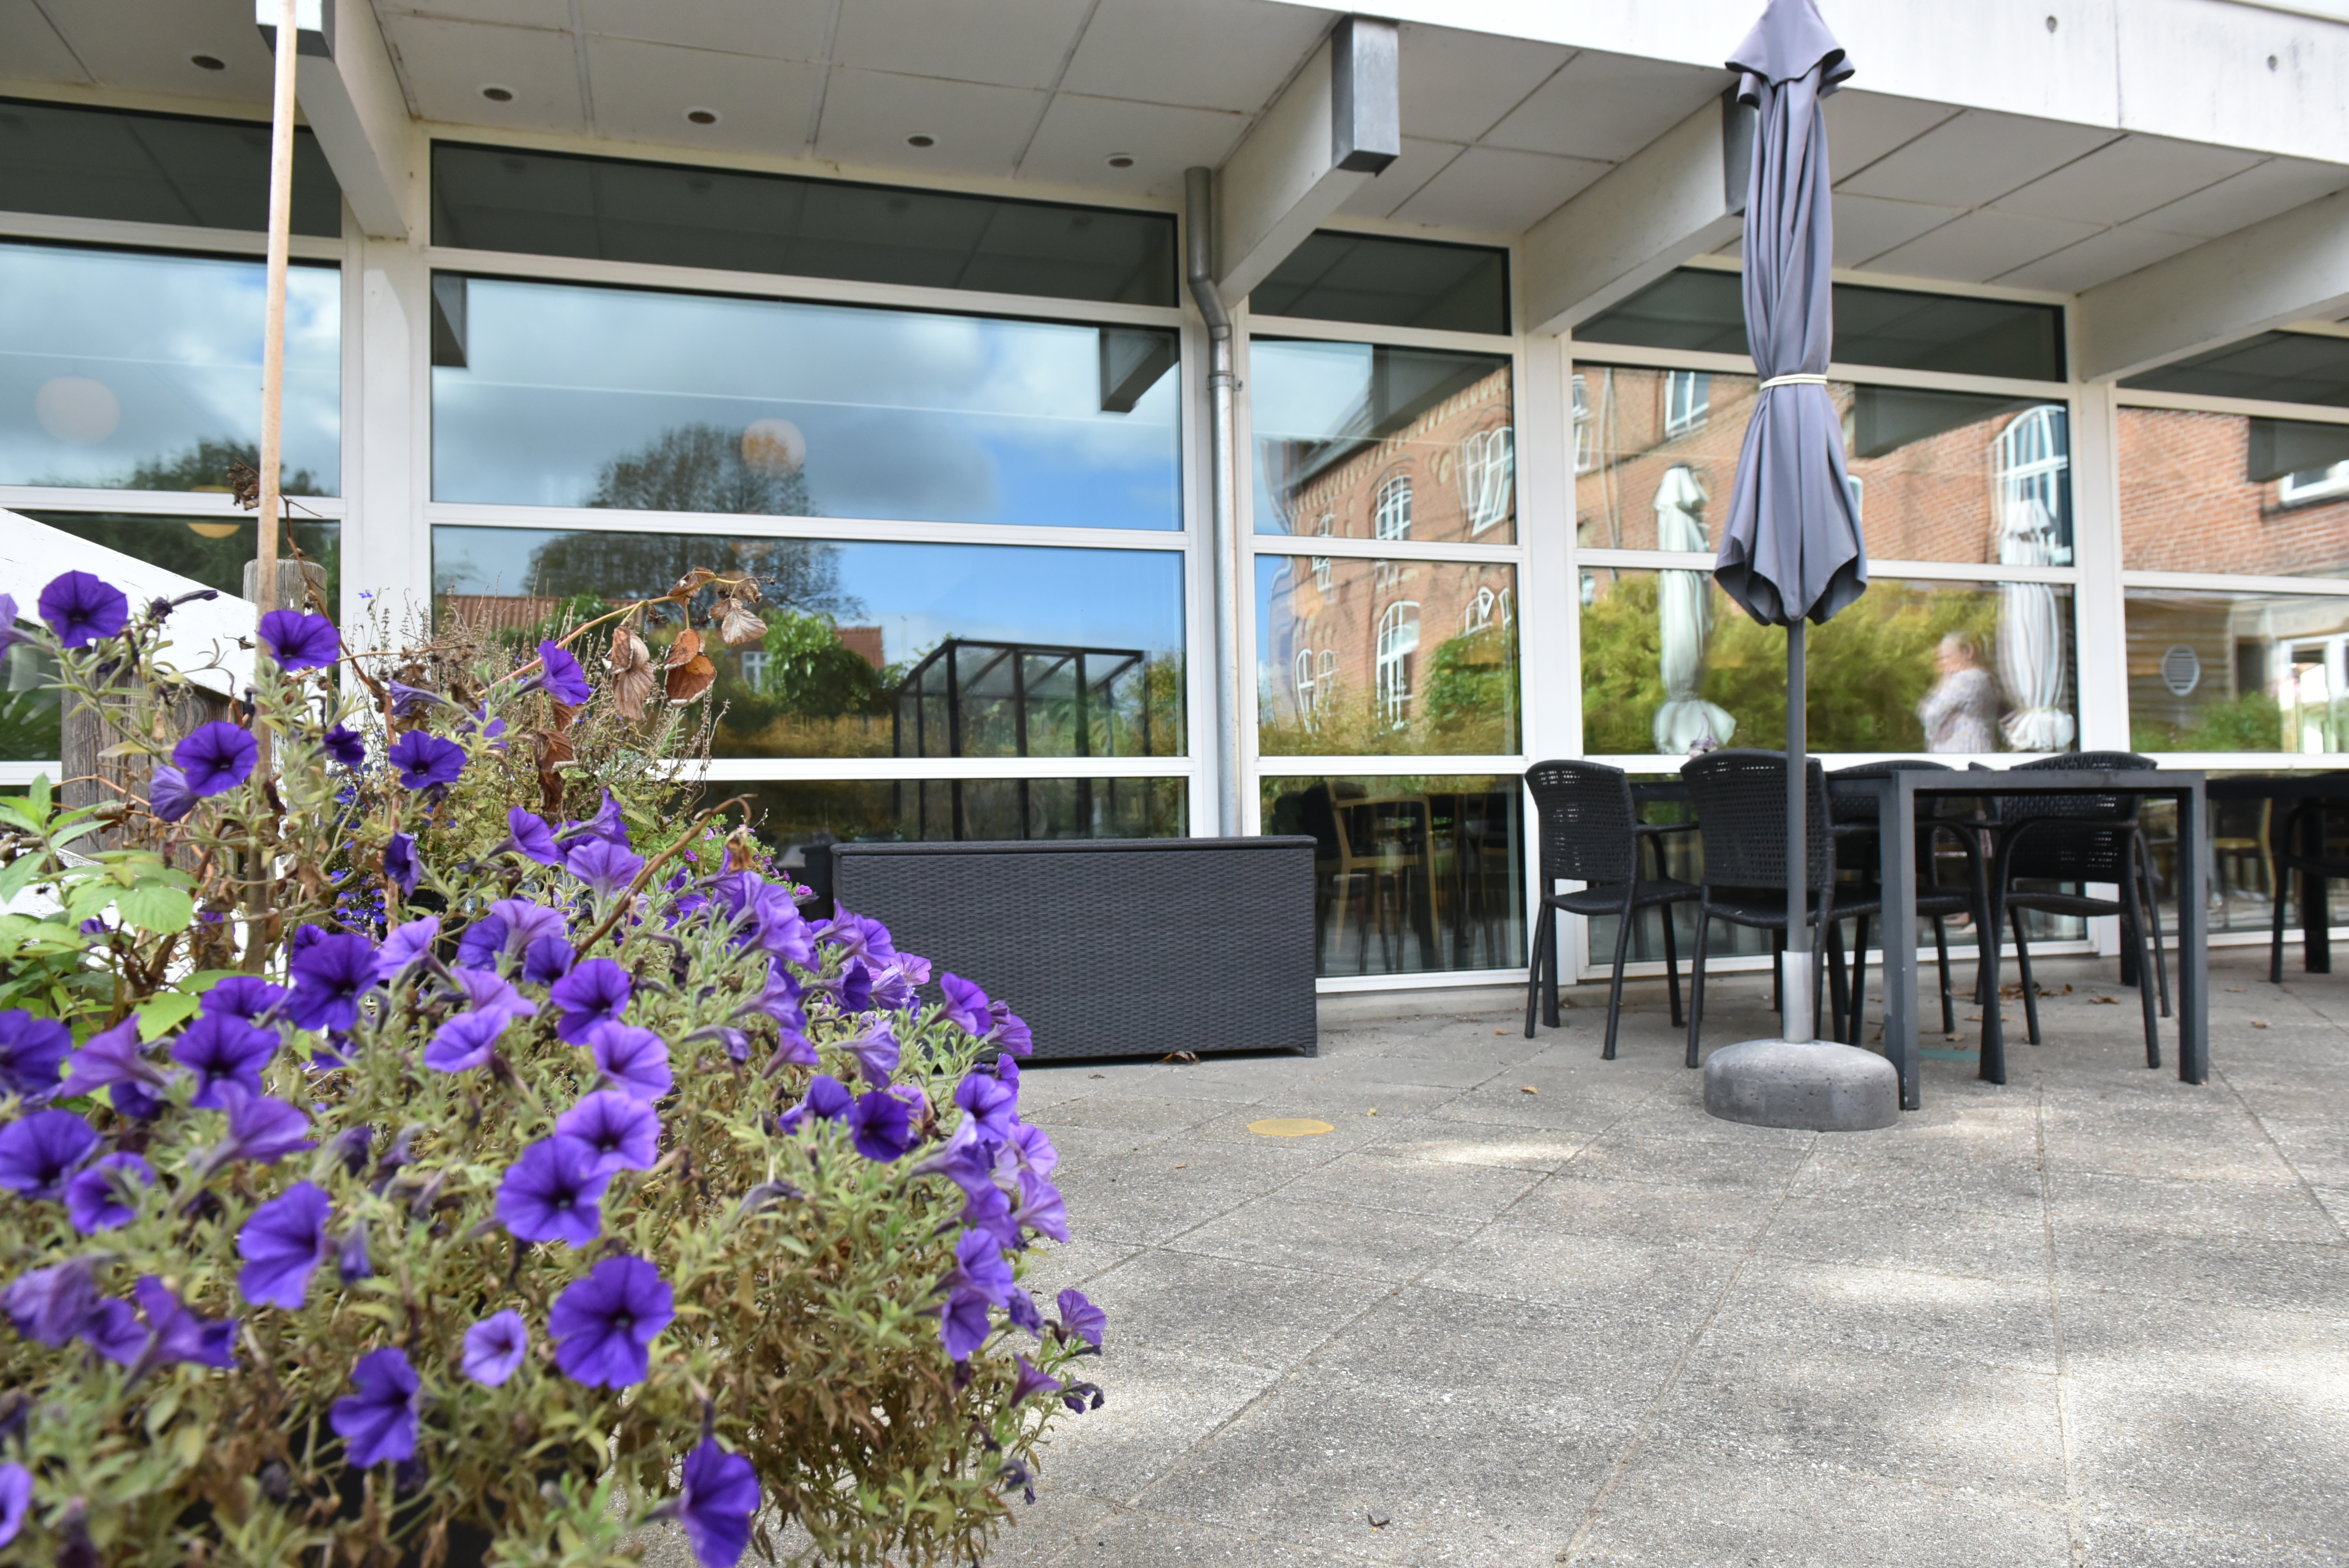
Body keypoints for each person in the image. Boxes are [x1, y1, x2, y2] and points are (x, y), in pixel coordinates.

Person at [1918, 631, 1999, 753]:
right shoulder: (1982, 678)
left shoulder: (1968, 679)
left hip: (1964, 753)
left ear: (1968, 652)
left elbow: (1931, 715)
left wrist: (1943, 682)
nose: (1942, 664)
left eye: (1947, 657)